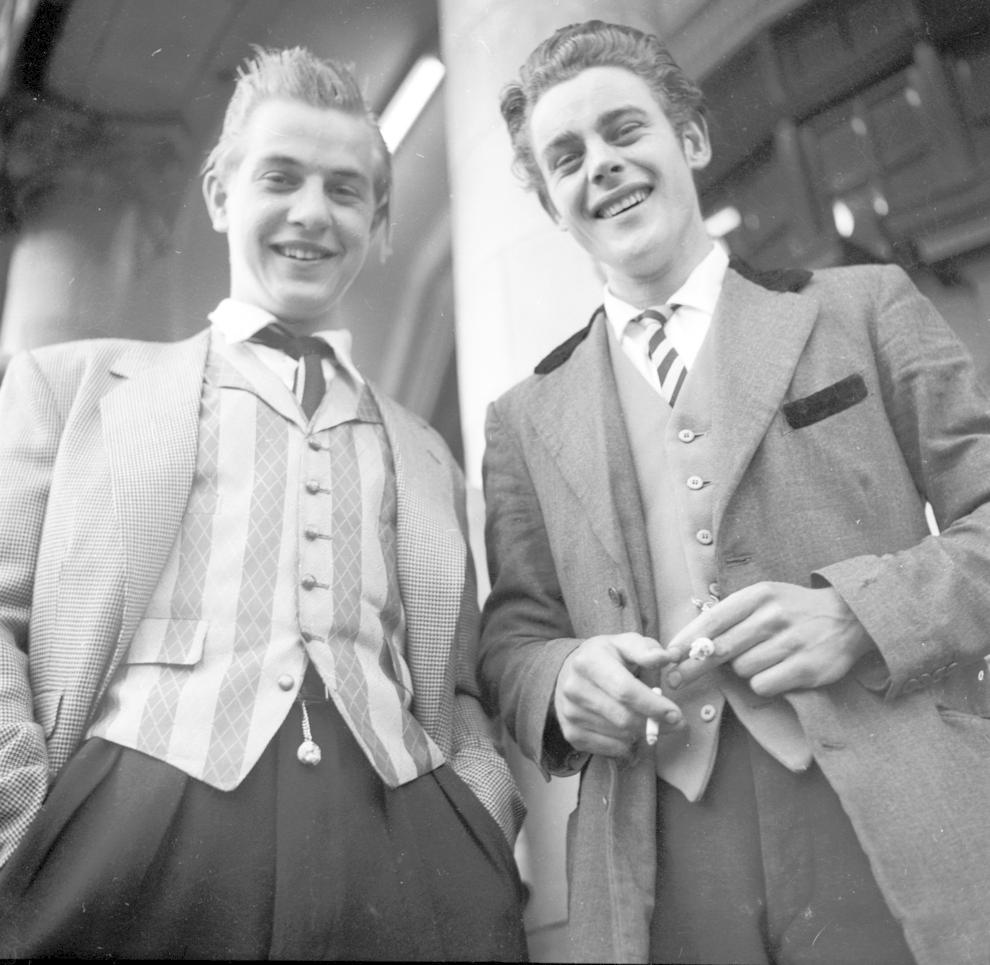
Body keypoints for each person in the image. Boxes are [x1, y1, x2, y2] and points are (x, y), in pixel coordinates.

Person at [479, 19, 990, 965]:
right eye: (567, 156)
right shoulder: (520, 419)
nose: (603, 165)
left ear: (692, 140)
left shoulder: (863, 306)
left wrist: (860, 612)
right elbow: (512, 639)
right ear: (553, 204)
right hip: (654, 854)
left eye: (625, 129)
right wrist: (558, 684)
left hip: (891, 812)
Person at [0, 46, 527, 961]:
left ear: (383, 225)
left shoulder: (427, 450)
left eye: (345, 189)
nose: (311, 213)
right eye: (279, 177)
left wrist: (478, 817)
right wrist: (21, 815)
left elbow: (461, 682)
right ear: (218, 196)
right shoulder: (67, 386)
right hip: (128, 835)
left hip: (406, 850)